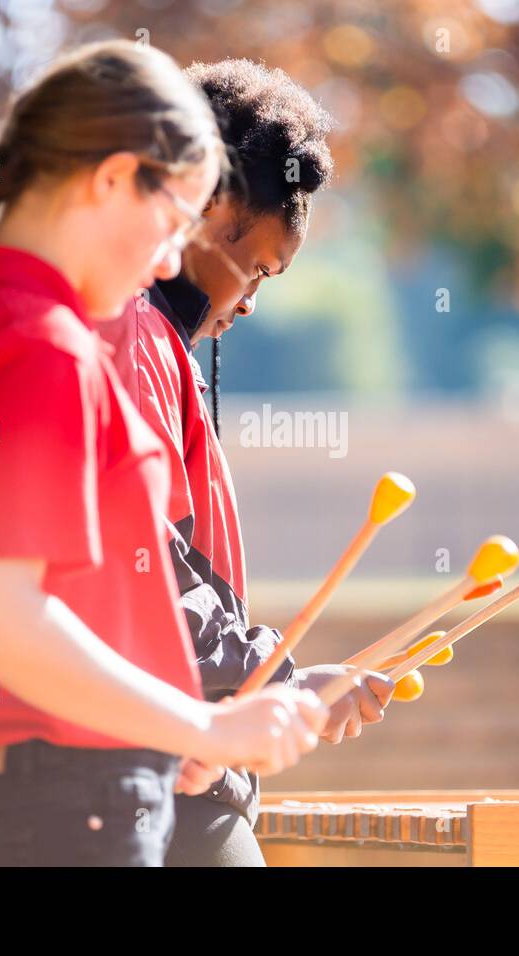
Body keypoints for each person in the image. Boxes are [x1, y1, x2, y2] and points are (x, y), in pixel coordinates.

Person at [0, 41, 326, 867]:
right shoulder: (42, 346)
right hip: (56, 818)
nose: (166, 264)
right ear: (115, 179)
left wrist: (150, 722)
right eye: (173, 226)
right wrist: (202, 723)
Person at [98, 59, 393, 867]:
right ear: (216, 202)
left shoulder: (143, 336)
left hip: (169, 765)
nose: (251, 302)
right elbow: (139, 569)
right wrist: (272, 680)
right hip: (151, 787)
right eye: (260, 268)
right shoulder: (127, 332)